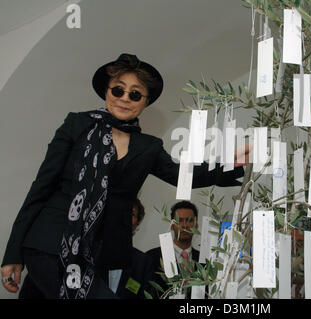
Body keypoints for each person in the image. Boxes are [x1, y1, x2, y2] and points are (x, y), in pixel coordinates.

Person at [1, 53, 249, 299]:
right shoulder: (77, 125)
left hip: (99, 254)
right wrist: (13, 254)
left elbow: (183, 174)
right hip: (49, 244)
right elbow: (40, 188)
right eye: (118, 90)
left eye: (135, 94)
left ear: (145, 101)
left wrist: (229, 162)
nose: (124, 99)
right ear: (106, 91)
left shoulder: (148, 146)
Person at [145, 200, 201, 299]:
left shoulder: (203, 260)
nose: (184, 225)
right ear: (171, 225)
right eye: (179, 221)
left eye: (189, 220)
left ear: (196, 225)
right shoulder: (151, 258)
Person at [110, 198, 152, 299]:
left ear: (137, 222)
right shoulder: (94, 251)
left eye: (132, 214)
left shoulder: (143, 262)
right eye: (122, 212)